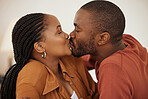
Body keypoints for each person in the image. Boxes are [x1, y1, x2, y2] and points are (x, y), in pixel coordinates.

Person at [1, 13, 99, 99]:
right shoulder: (32, 71)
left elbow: (96, 95)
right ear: (40, 47)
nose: (66, 35)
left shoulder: (72, 60)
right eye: (59, 32)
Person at [69, 0, 148, 99]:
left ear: (103, 38)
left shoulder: (112, 69)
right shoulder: (127, 41)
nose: (71, 34)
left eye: (77, 30)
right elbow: (86, 59)